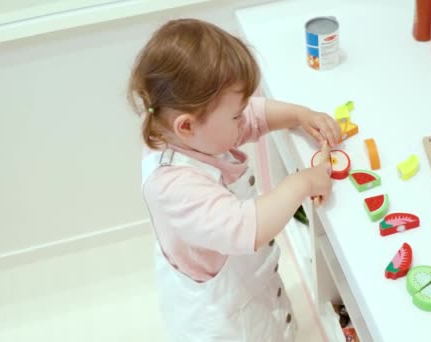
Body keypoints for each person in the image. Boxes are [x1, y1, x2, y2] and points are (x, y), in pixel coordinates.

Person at [127, 18, 341, 341]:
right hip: (221, 318)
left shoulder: (184, 127)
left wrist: (299, 115)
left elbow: (253, 115)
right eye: (235, 115)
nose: (244, 120)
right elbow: (245, 226)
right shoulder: (172, 188)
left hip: (245, 281)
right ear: (187, 126)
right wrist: (304, 183)